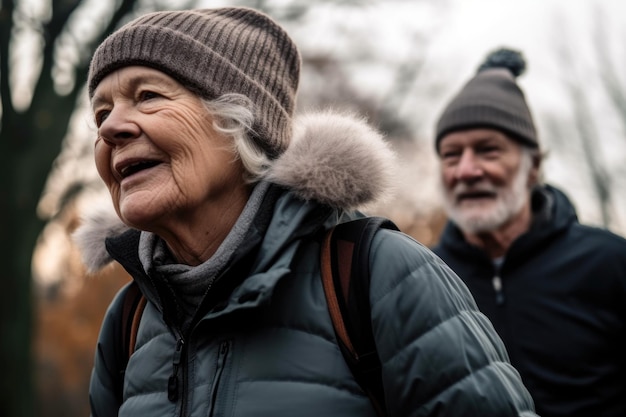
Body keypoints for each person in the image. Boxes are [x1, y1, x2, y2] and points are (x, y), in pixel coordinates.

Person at [74, 8, 537, 417]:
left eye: (149, 95)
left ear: (241, 124)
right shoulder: (129, 318)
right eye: (100, 114)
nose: (111, 126)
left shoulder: (380, 274)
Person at [431, 47, 626, 417]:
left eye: (488, 151)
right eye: (451, 155)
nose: (466, 171)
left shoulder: (610, 262)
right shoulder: (421, 276)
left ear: (533, 165)